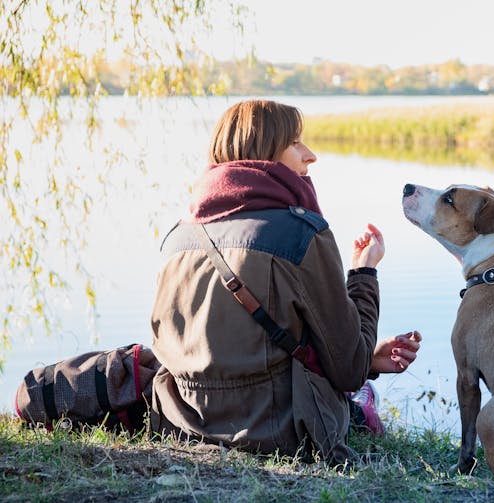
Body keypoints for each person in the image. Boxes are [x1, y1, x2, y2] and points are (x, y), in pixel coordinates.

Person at [148, 99, 421, 464]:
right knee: (358, 391)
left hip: (183, 424)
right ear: (262, 153)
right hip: (283, 433)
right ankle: (361, 413)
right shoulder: (300, 234)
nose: (310, 156)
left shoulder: (178, 237)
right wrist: (363, 273)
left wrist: (368, 359)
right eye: (295, 143)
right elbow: (350, 369)